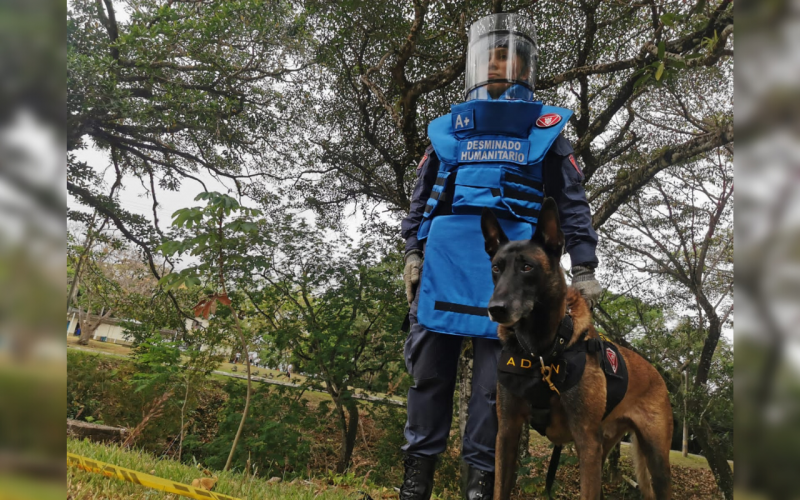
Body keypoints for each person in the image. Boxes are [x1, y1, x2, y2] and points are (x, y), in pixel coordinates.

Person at [399, 13, 601, 500]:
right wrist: (412, 251)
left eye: (507, 59)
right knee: (428, 374)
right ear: (473, 66)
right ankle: (415, 482)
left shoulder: (546, 130)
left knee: (498, 387)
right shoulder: (448, 131)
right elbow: (425, 196)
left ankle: (480, 486)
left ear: (526, 69)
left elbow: (571, 202)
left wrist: (585, 266)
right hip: (445, 266)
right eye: (489, 58)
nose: (497, 66)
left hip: (512, 276)